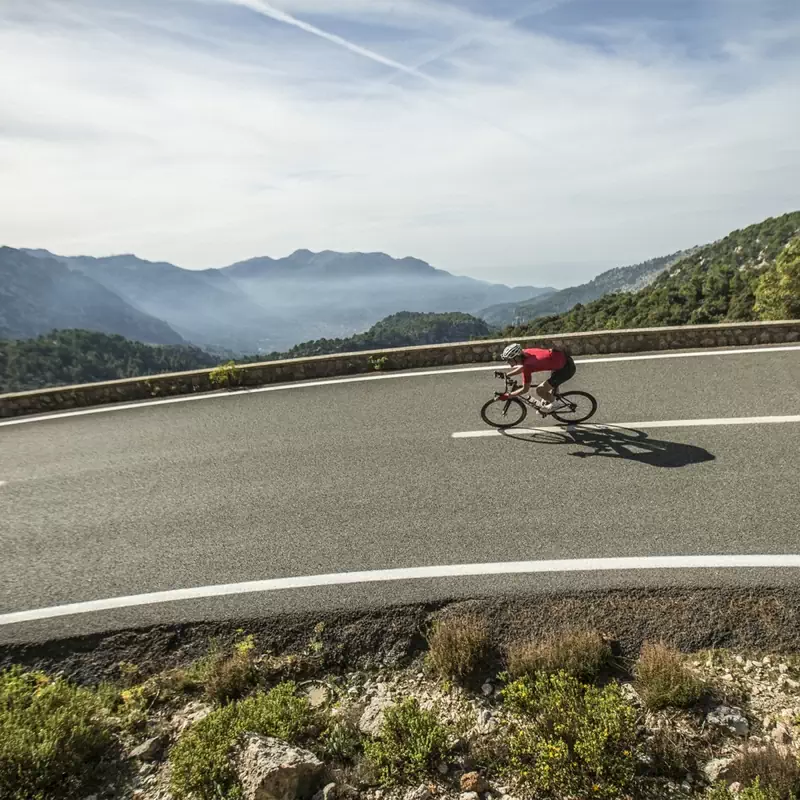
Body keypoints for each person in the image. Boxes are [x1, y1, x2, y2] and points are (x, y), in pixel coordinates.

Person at [498, 342, 576, 412]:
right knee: (548, 387)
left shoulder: (528, 365)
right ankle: (552, 397)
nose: (508, 362)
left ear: (517, 357)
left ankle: (555, 404)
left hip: (566, 370)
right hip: (562, 361)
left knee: (540, 390)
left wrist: (508, 395)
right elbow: (523, 367)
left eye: (509, 360)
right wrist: (507, 374)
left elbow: (525, 389)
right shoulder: (526, 352)